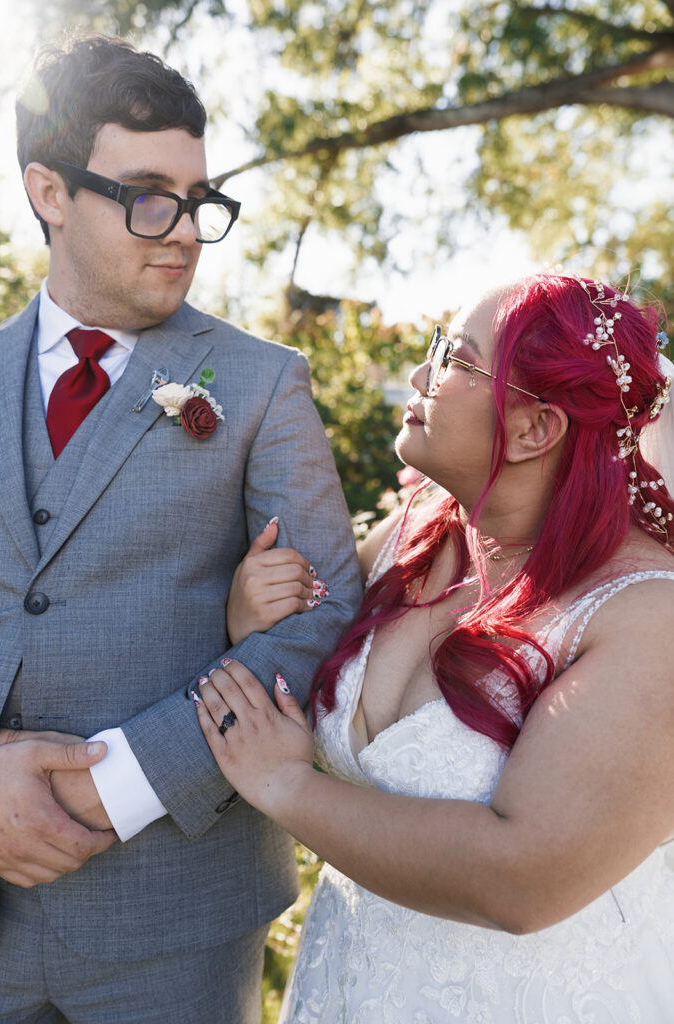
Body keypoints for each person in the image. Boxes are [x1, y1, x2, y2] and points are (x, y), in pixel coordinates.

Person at [0, 33, 361, 1024]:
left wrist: (110, 788)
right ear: (49, 191)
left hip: (178, 916)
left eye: (200, 200)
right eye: (148, 194)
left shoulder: (258, 381)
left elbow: (320, 615)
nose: (186, 229)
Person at [195, 272, 674, 1022]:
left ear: (533, 429)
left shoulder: (645, 619)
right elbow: (308, 652)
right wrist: (255, 614)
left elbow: (522, 880)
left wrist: (287, 787)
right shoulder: (422, 524)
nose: (420, 373)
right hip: (353, 982)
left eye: (453, 356)